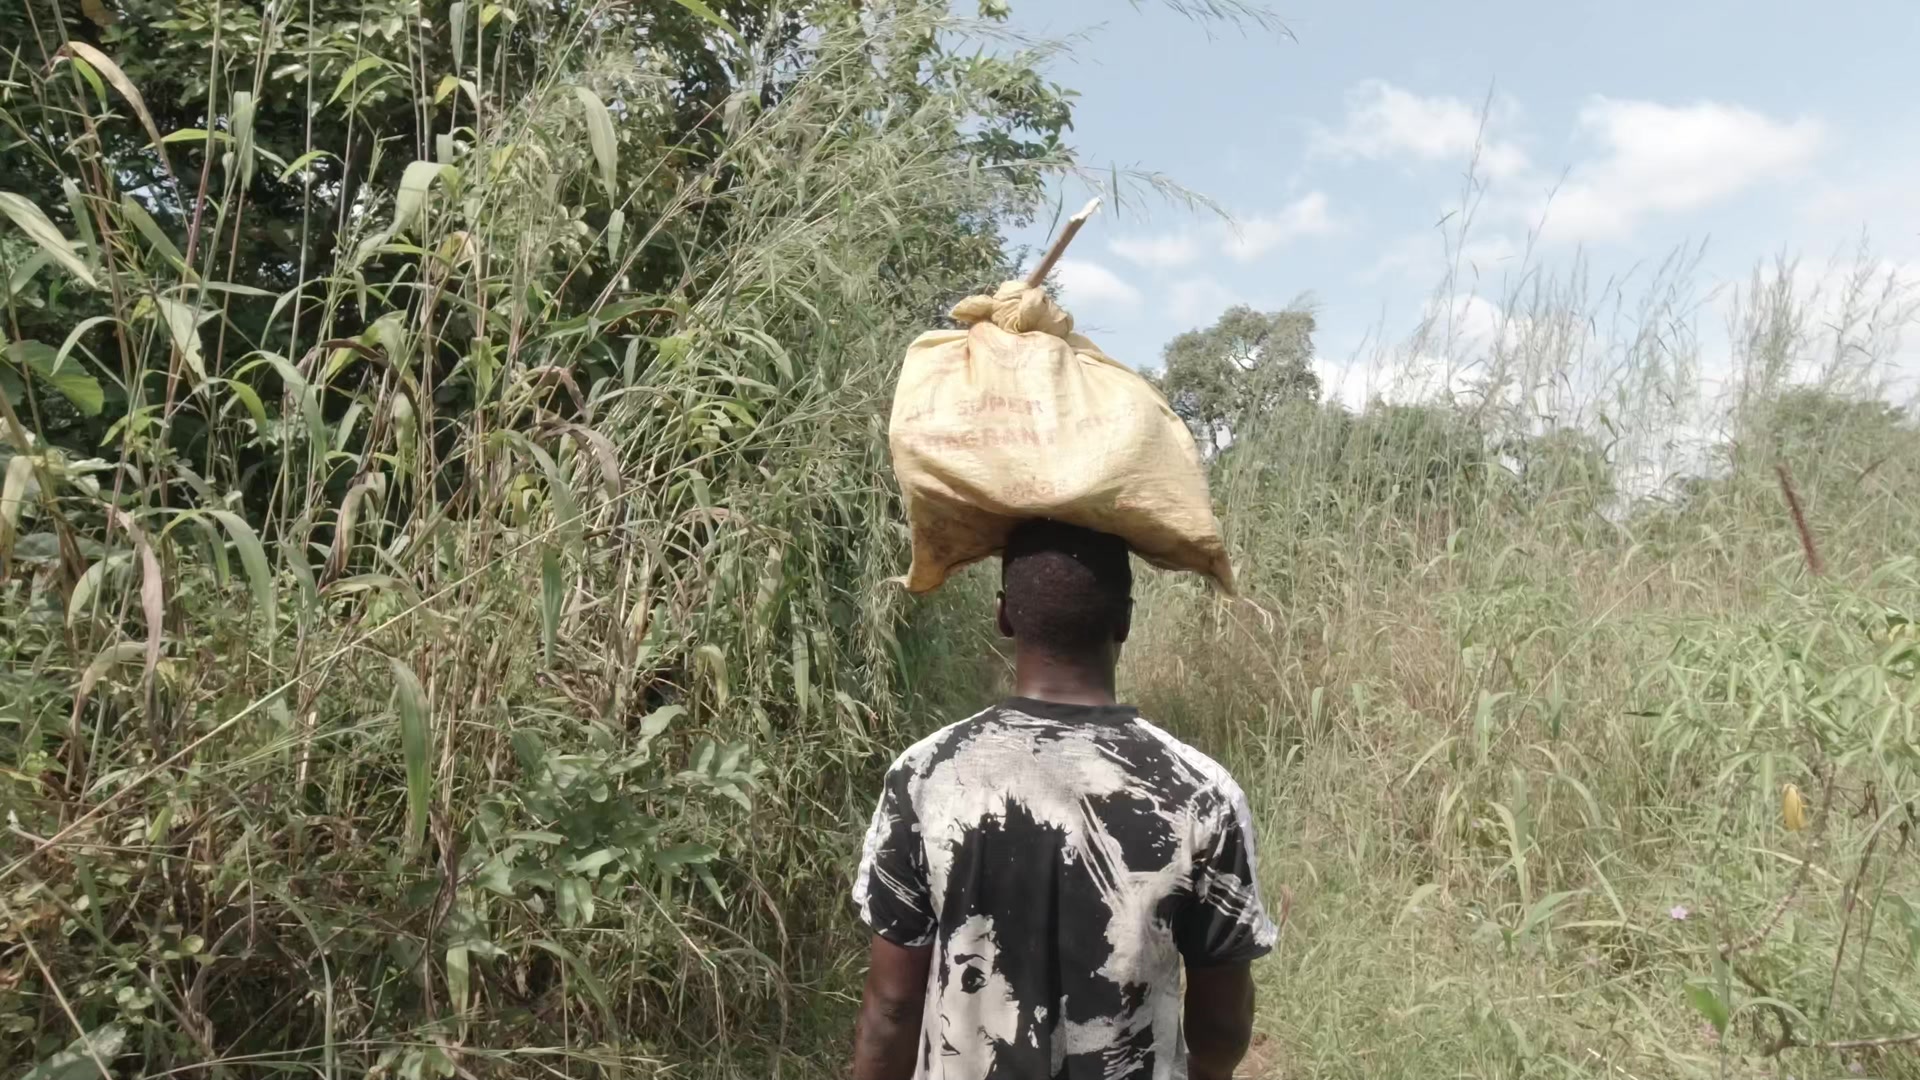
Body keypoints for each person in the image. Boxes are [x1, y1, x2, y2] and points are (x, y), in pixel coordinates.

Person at [850, 519, 1280, 1080]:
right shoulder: (1200, 794)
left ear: (1004, 616)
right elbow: (1221, 1026)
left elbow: (892, 1006)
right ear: (1124, 621)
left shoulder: (925, 776)